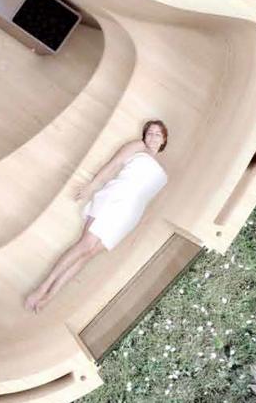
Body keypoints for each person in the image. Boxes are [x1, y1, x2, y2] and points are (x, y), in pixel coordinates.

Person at [23, 119, 169, 313]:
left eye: (158, 134)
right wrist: (91, 186)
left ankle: (50, 296)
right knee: (84, 245)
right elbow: (113, 164)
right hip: (113, 199)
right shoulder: (138, 147)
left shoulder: (162, 173)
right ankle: (41, 289)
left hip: (129, 214)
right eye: (149, 133)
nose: (153, 137)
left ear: (164, 139)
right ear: (144, 136)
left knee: (88, 254)